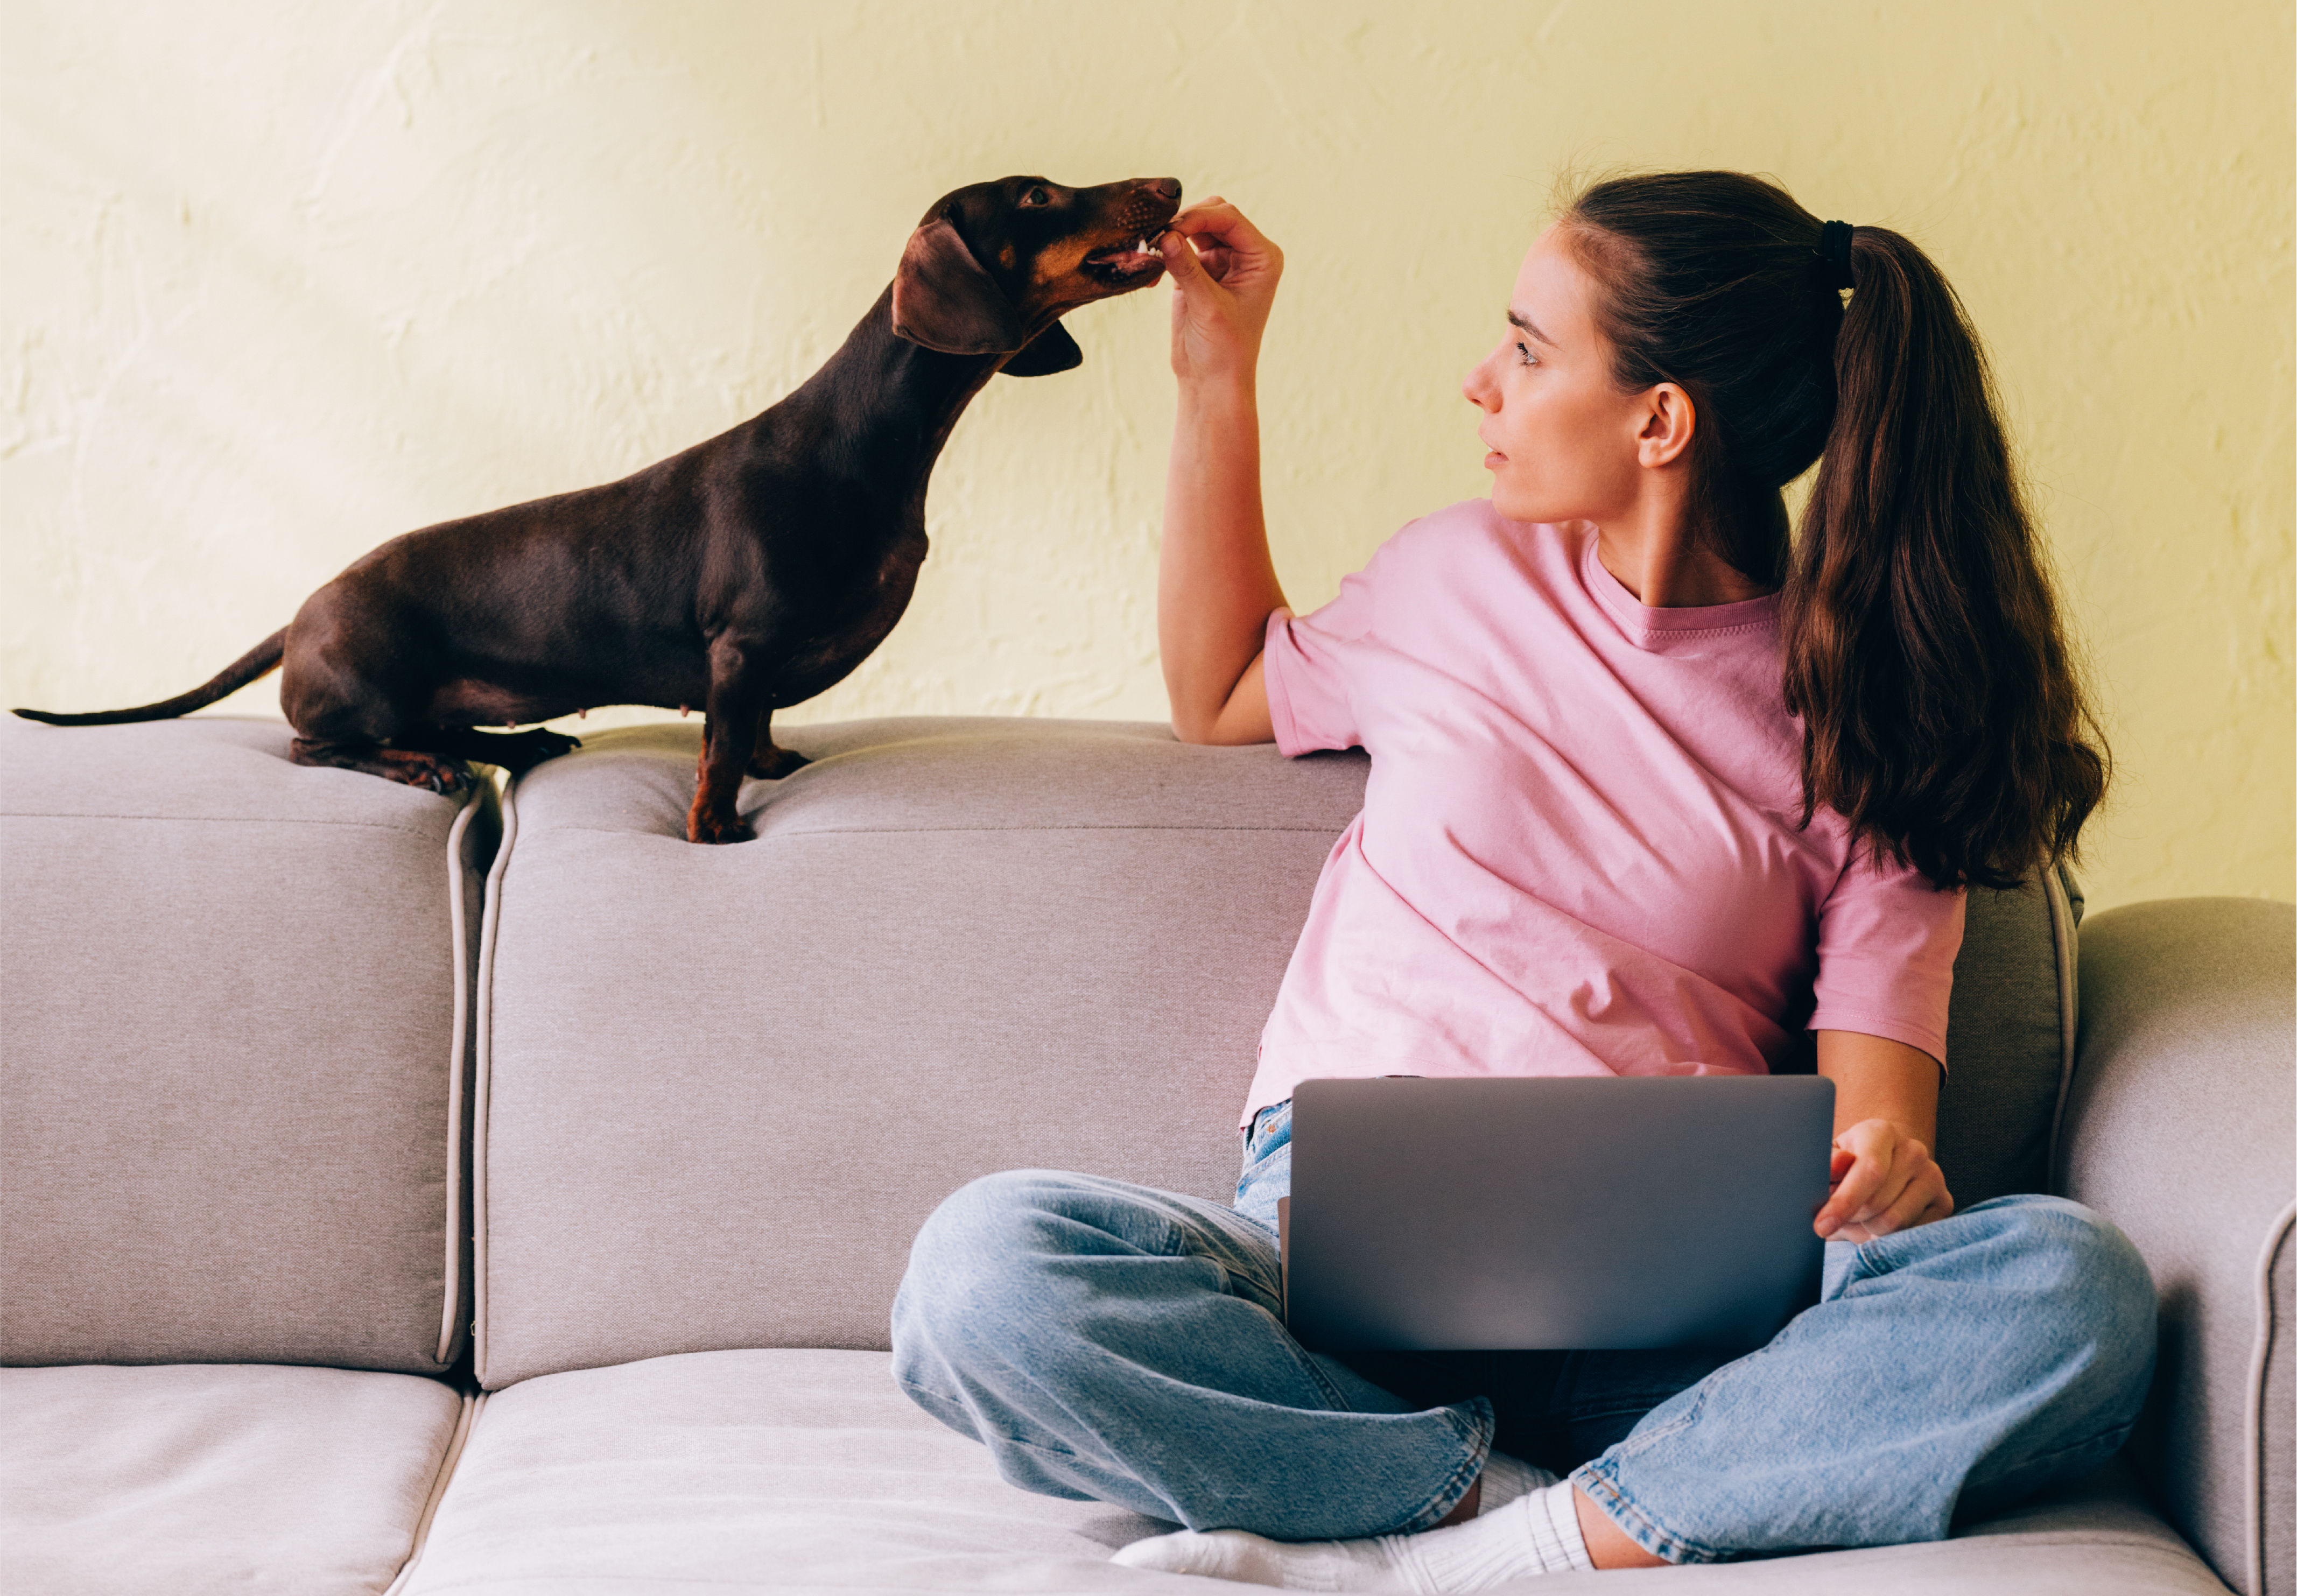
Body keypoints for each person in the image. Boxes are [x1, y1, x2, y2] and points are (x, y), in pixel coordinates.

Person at [889, 171, 2156, 1587]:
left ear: (1657, 421)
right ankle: (1490, 1495)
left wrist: (1882, 1171)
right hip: (1333, 1281)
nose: (1478, 384)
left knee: (2069, 1282)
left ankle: (1468, 1552)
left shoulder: (1867, 720)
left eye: (1528, 350)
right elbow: (1223, 685)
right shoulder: (1450, 576)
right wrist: (1215, 372)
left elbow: (1873, 1133)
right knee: (983, 1273)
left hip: (1679, 1325)